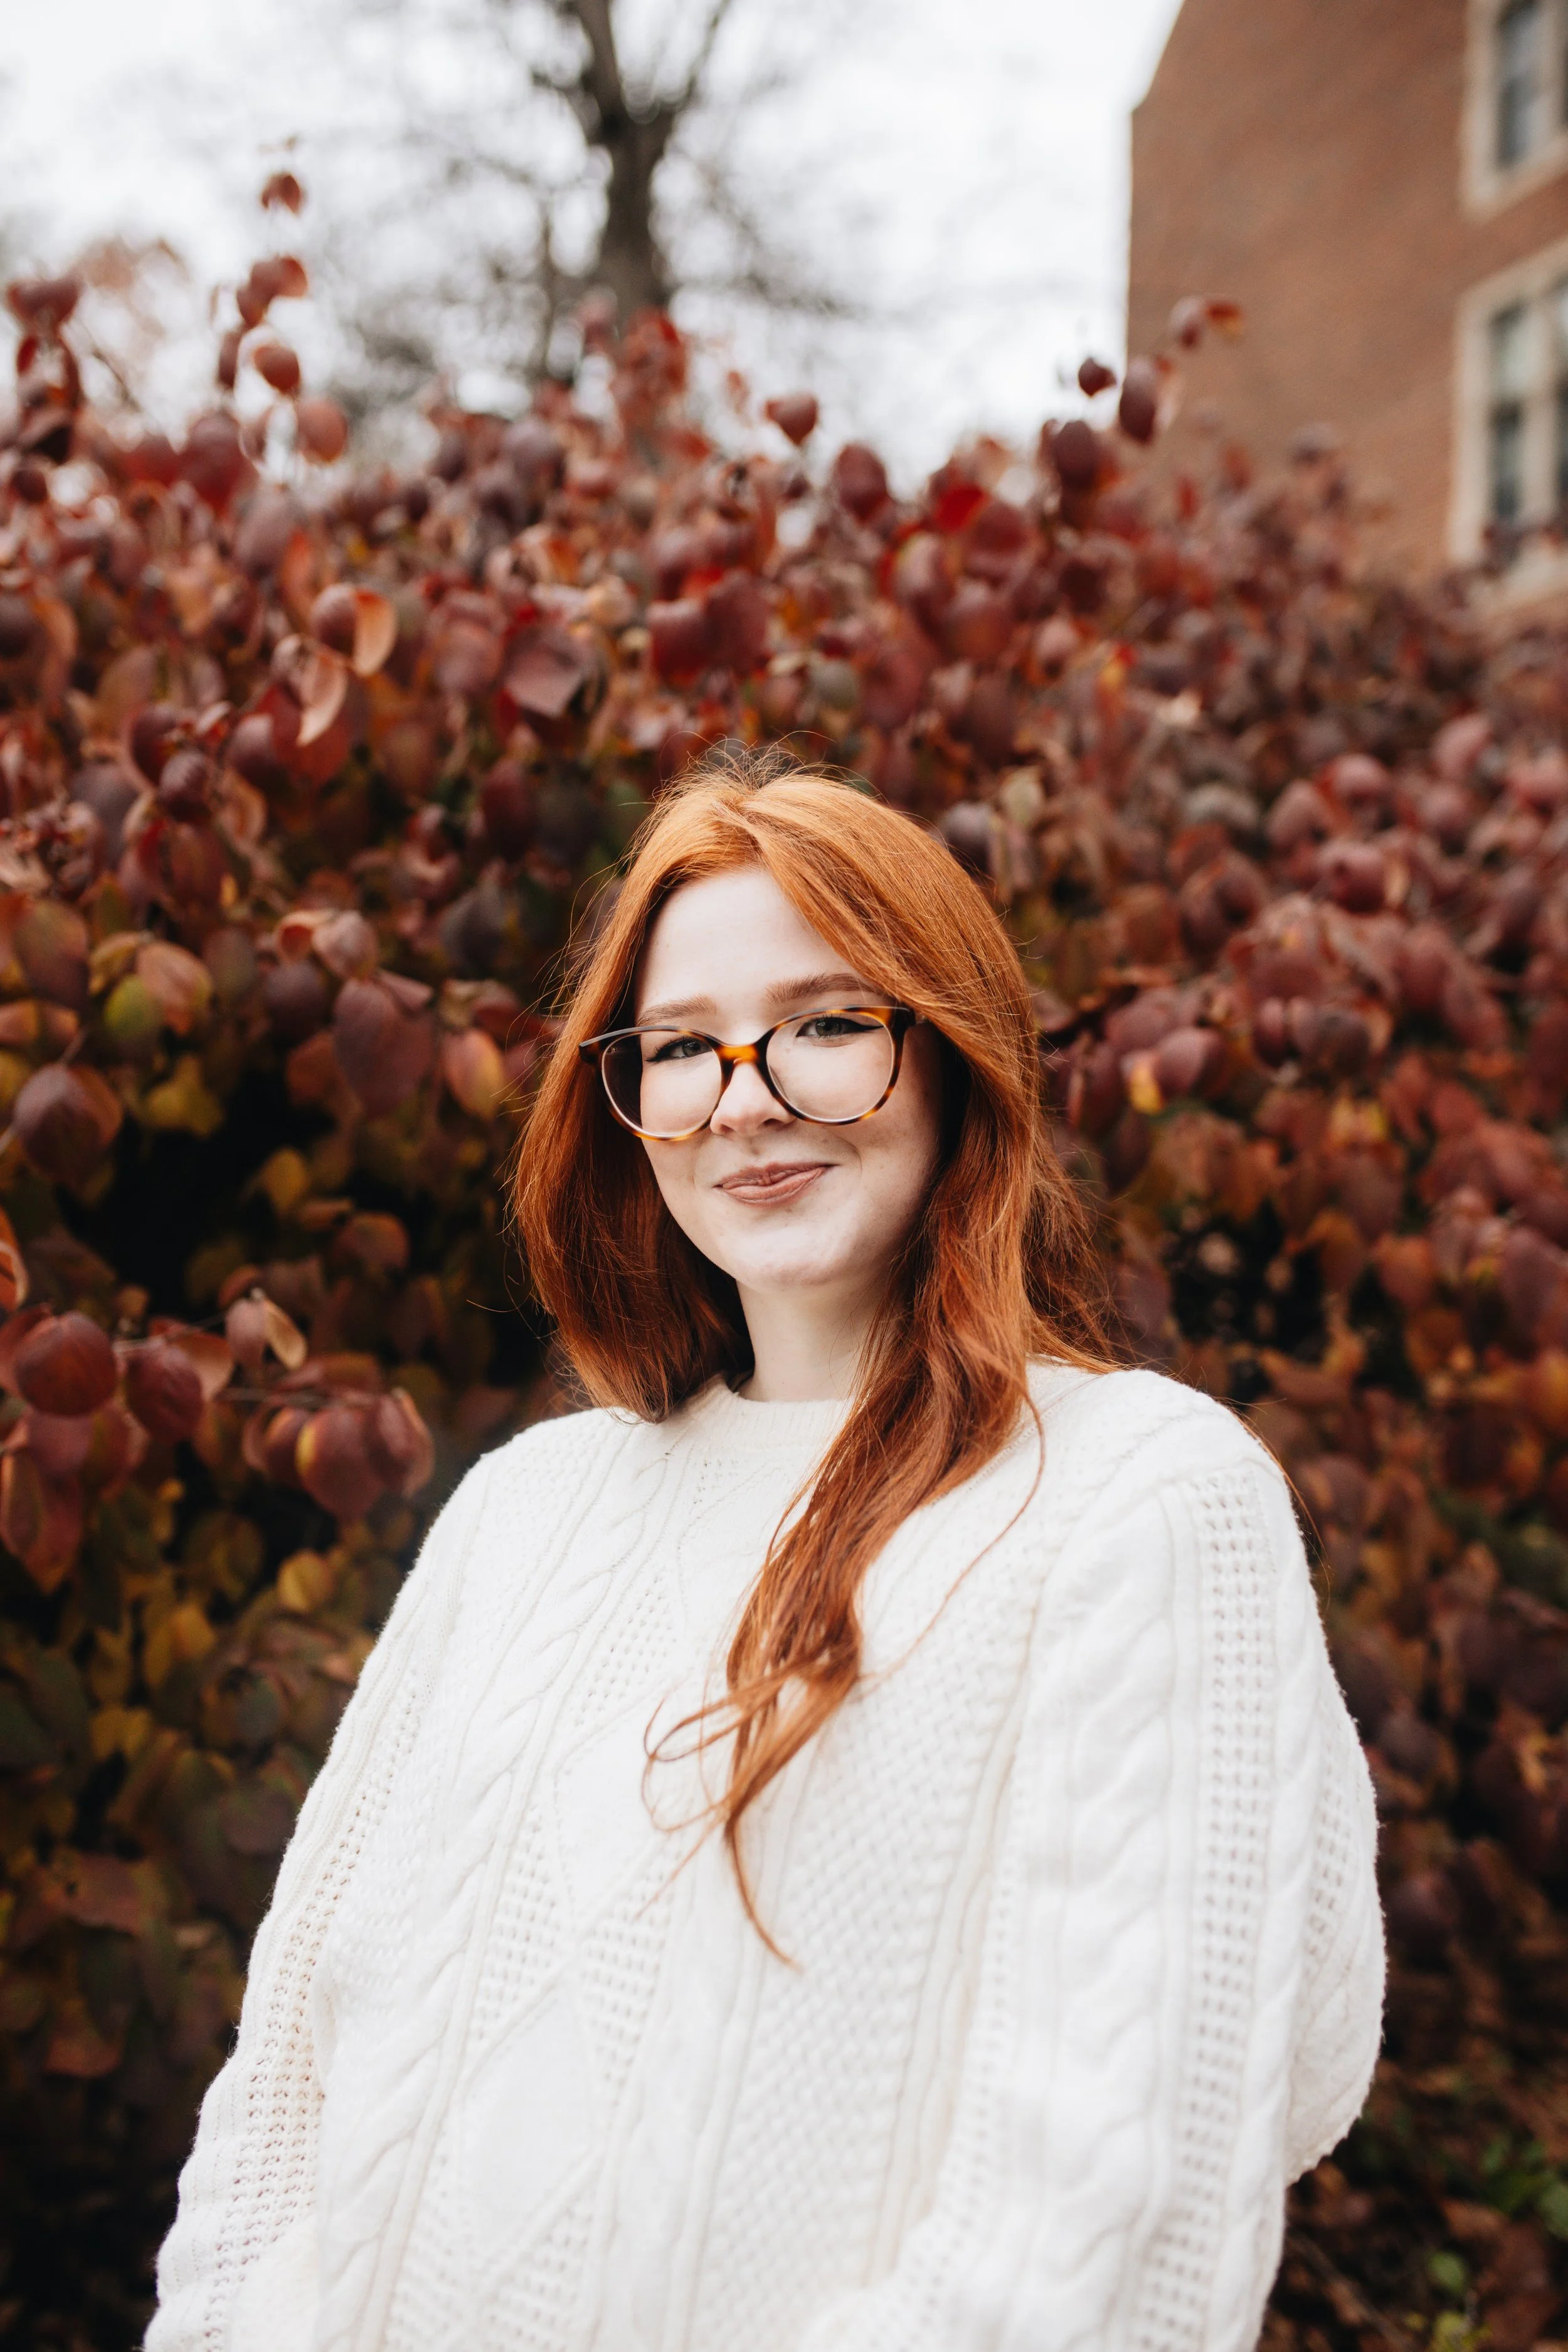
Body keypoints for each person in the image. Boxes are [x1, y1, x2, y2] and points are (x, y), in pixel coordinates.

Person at [148, 748, 1384, 2352]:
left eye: (822, 1023)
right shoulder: (524, 1513)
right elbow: (283, 2106)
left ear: (951, 1057)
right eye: (678, 1047)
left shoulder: (1136, 1498)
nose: (744, 1097)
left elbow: (1106, 2211)